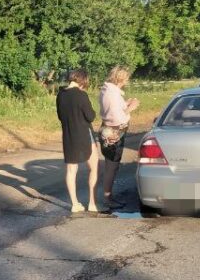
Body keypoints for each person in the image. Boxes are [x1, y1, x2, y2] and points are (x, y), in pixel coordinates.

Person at [56, 68, 100, 213]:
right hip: (85, 135)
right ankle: (92, 203)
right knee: (93, 168)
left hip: (68, 135)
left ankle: (75, 204)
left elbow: (61, 117)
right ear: (82, 80)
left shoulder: (60, 95)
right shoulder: (82, 95)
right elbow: (91, 117)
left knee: (71, 170)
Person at [98, 66, 139, 211]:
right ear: (122, 79)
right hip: (113, 132)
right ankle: (107, 198)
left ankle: (108, 196)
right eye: (127, 78)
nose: (127, 80)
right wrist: (130, 108)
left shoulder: (106, 90)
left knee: (110, 166)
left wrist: (124, 104)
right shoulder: (113, 94)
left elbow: (111, 111)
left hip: (106, 129)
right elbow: (117, 119)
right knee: (112, 167)